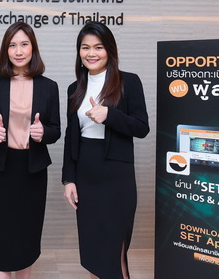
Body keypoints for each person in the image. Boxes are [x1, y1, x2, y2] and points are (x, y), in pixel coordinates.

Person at [62, 22, 149, 279]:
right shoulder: (74, 88)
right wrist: (69, 178)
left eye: (98, 47)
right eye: (85, 47)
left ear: (109, 50)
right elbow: (70, 137)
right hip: (86, 176)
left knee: (114, 253)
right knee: (94, 255)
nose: (91, 53)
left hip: (116, 177)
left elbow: (141, 127)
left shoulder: (128, 82)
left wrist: (109, 115)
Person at [0, 22, 61, 279]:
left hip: (33, 171)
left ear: (33, 48)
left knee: (27, 237)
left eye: (24, 44)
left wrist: (43, 133)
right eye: (12, 45)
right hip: (1, 170)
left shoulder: (49, 86)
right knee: (1, 238)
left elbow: (56, 130)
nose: (19, 51)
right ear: (6, 50)